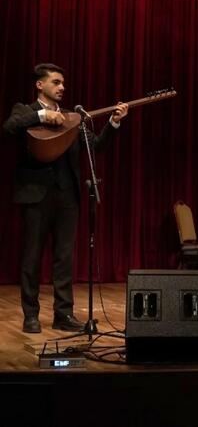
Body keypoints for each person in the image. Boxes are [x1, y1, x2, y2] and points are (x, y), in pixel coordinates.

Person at [3, 63, 129, 333]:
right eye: (56, 82)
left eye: (63, 83)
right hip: (36, 195)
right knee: (32, 257)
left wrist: (114, 122)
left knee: (64, 258)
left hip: (67, 196)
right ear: (40, 85)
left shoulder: (73, 117)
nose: (62, 87)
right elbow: (9, 127)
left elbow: (95, 146)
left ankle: (63, 314)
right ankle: (31, 316)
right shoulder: (24, 110)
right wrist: (43, 116)